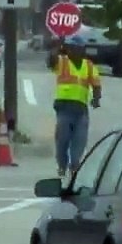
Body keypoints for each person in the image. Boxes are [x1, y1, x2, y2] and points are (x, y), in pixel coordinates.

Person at [49, 37, 103, 177]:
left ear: (82, 50)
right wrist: (57, 48)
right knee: (63, 139)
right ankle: (62, 165)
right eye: (70, 48)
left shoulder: (89, 66)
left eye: (76, 48)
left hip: (81, 110)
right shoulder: (62, 62)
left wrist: (96, 99)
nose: (73, 51)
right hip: (64, 108)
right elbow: (51, 61)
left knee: (79, 140)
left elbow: (96, 84)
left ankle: (74, 165)